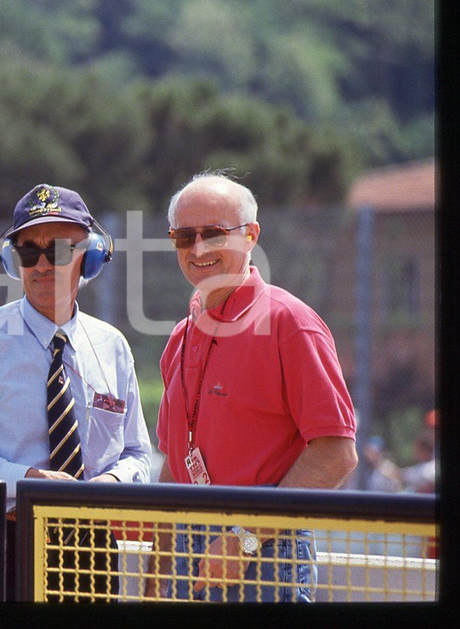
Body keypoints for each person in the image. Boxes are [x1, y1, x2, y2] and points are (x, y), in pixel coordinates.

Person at [0, 183, 151, 602]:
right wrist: (26, 481)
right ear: (12, 260)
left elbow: (138, 455)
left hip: (91, 551)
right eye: (28, 252)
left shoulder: (113, 346)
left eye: (58, 250)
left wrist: (109, 483)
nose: (42, 264)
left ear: (89, 256)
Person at [145, 171, 357, 603]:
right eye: (185, 237)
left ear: (250, 236)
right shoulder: (181, 336)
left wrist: (243, 538)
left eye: (215, 234)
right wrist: (159, 564)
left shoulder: (289, 323)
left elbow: (337, 452)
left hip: (266, 552)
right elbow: (176, 463)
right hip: (189, 547)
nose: (198, 249)